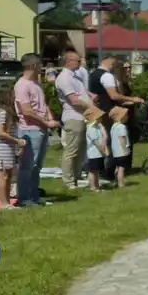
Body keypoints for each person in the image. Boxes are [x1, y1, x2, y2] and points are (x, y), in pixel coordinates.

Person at [11, 55, 56, 208]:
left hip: (41, 129)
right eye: (40, 65)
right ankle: (24, 198)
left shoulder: (36, 83)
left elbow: (43, 105)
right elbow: (26, 111)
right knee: (27, 166)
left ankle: (34, 195)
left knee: (37, 166)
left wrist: (49, 118)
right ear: (33, 65)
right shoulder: (22, 85)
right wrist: (46, 122)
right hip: (30, 130)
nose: (42, 68)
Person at [53, 51, 92, 191]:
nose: (80, 62)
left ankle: (76, 177)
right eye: (77, 60)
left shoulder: (75, 76)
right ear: (68, 61)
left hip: (82, 117)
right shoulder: (64, 78)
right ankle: (68, 181)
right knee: (71, 151)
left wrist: (91, 97)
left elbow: (82, 94)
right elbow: (74, 100)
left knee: (80, 151)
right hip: (73, 117)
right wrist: (91, 108)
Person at [0, 85, 20, 210]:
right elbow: (0, 132)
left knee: (8, 175)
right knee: (4, 175)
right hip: (3, 148)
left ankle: (7, 202)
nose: (14, 96)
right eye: (12, 94)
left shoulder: (8, 113)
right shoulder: (2, 113)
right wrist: (17, 141)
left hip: (9, 147)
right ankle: (3, 203)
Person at [107, 108, 131, 189]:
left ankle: (116, 181)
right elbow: (122, 138)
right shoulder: (121, 127)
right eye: (125, 115)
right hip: (121, 152)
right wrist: (125, 150)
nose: (127, 117)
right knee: (121, 169)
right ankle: (121, 184)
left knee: (117, 167)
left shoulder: (113, 127)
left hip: (115, 152)